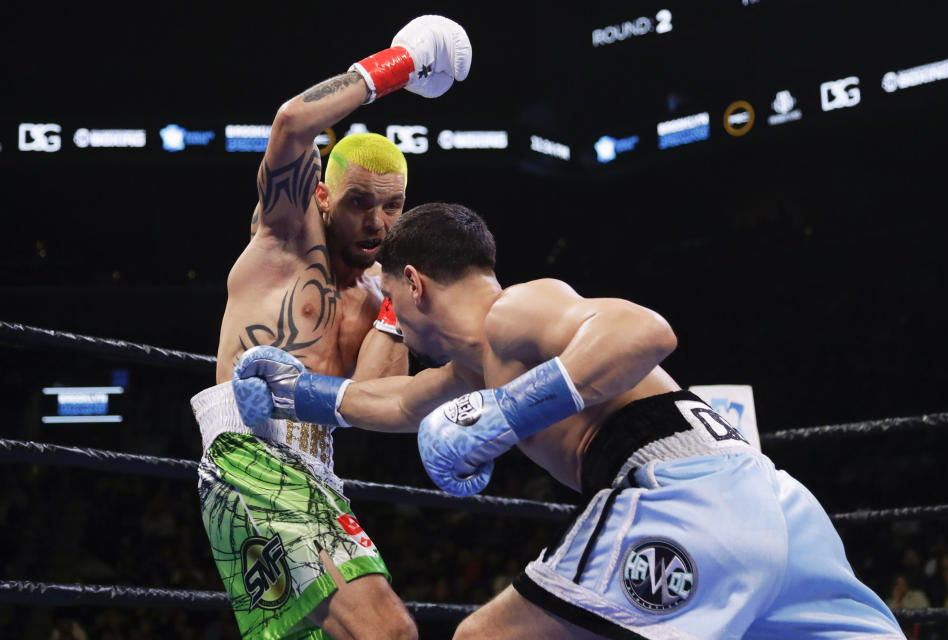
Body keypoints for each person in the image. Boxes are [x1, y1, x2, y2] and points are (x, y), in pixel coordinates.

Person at [232, 202, 905, 639]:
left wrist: (510, 413)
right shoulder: (470, 371)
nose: (395, 326)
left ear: (415, 282)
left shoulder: (516, 311)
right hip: (766, 501)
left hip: (679, 493)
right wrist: (294, 394)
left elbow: (644, 331)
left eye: (392, 305)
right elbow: (396, 404)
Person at [189, 18, 471, 640]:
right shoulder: (286, 238)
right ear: (320, 196)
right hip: (249, 454)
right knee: (388, 631)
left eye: (391, 206)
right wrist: (400, 64)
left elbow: (368, 402)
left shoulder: (380, 294)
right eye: (358, 202)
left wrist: (396, 316)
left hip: (318, 470)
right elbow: (292, 123)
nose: (376, 221)